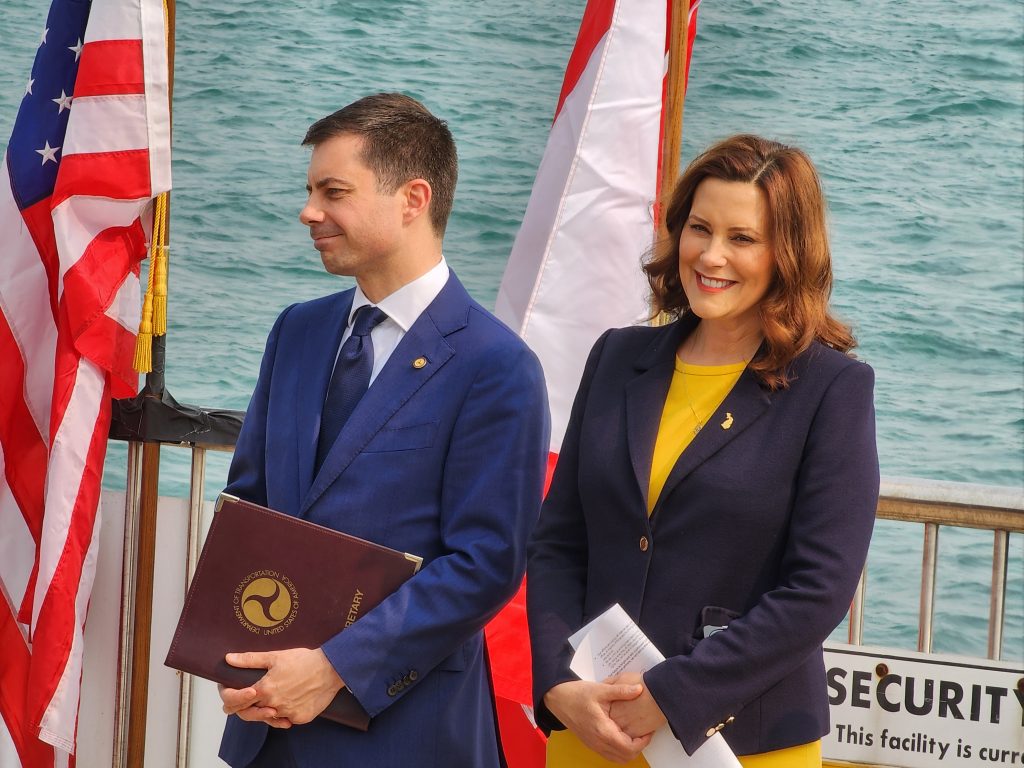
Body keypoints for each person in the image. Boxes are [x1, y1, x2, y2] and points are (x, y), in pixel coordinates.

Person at [216, 92, 550, 768]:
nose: (309, 212)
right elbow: (250, 506)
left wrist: (335, 668)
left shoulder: (497, 366)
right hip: (266, 727)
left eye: (333, 192)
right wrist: (231, 647)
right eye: (310, 190)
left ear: (413, 198)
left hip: (407, 732)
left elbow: (485, 565)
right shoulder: (297, 331)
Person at [527, 134, 879, 767]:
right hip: (592, 730)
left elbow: (819, 589)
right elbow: (558, 542)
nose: (712, 255)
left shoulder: (833, 389)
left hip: (740, 744)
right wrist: (557, 683)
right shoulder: (615, 357)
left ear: (786, 254)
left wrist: (672, 694)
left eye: (742, 238)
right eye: (699, 228)